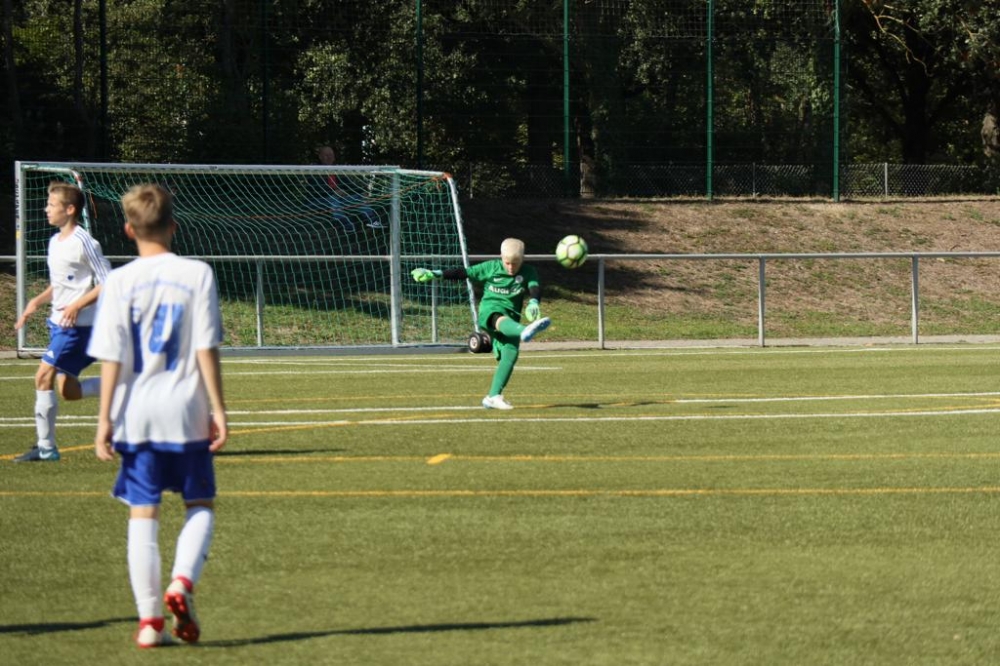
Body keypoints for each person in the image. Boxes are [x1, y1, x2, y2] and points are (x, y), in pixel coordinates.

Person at [89, 183, 227, 649]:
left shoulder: (118, 281)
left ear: (128, 229)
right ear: (174, 226)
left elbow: (111, 357)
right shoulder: (197, 273)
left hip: (136, 412)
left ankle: (150, 623)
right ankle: (182, 582)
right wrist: (218, 409)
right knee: (200, 503)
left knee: (142, 513)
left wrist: (104, 419)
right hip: (185, 409)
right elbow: (206, 348)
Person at [13, 181, 111, 462]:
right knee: (68, 391)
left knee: (42, 375)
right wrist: (36, 301)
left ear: (69, 209)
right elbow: (61, 284)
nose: (46, 209)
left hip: (78, 328)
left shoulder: (85, 242)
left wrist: (78, 305)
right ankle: (120, 387)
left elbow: (108, 281)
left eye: (52, 205)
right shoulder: (54, 241)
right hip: (59, 324)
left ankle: (46, 448)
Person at [411, 238, 551, 410]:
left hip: (511, 320)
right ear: (501, 257)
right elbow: (464, 272)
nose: (510, 267)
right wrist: (435, 273)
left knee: (510, 354)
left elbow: (534, 287)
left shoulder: (529, 271)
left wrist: (534, 302)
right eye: (507, 263)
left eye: (515, 263)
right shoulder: (491, 267)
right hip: (490, 312)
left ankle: (493, 397)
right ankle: (524, 331)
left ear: (523, 258)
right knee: (498, 317)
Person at [314, 144, 383, 230]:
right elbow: (315, 188)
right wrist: (333, 192)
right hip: (321, 199)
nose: (329, 157)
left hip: (340, 198)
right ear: (320, 157)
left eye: (331, 155)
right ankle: (347, 227)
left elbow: (349, 184)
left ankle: (373, 221)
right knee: (333, 200)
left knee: (359, 197)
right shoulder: (313, 170)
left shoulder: (337, 170)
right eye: (326, 155)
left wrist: (362, 191)